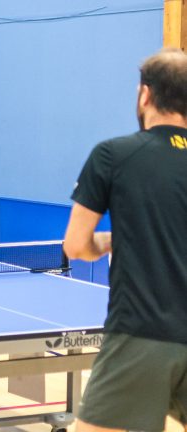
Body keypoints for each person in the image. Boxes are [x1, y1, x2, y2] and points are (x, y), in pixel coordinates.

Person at [63, 47, 187, 432]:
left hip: (140, 333)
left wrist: (109, 241)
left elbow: (75, 245)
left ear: (145, 95)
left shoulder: (113, 155)